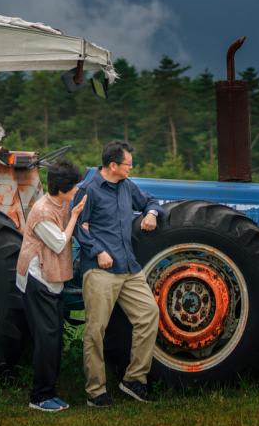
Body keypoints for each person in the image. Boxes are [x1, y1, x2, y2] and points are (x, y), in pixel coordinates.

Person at [74, 141, 163, 407]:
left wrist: (151, 213)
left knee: (149, 314)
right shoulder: (88, 190)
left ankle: (134, 379)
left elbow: (150, 201)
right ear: (113, 165)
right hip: (100, 270)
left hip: (129, 269)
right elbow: (77, 225)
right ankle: (96, 392)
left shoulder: (127, 186)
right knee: (95, 331)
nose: (131, 168)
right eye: (128, 164)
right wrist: (98, 251)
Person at [15, 160, 87, 412]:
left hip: (52, 279)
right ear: (63, 189)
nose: (77, 190)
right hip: (38, 280)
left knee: (53, 337)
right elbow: (58, 243)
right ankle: (39, 397)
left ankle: (49, 391)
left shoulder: (61, 202)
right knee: (47, 339)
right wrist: (75, 216)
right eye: (74, 186)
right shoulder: (42, 212)